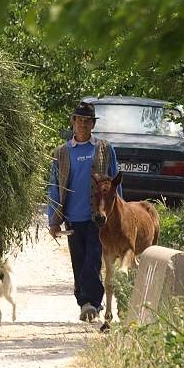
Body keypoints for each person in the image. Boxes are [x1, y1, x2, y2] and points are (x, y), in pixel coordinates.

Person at [47, 101, 121, 322]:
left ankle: (92, 303)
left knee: (93, 258)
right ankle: (84, 302)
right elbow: (53, 186)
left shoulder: (104, 149)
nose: (82, 124)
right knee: (79, 261)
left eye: (86, 121)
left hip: (98, 217)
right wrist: (53, 219)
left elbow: (116, 183)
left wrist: (120, 215)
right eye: (78, 120)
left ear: (92, 124)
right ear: (73, 122)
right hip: (72, 216)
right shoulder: (61, 152)